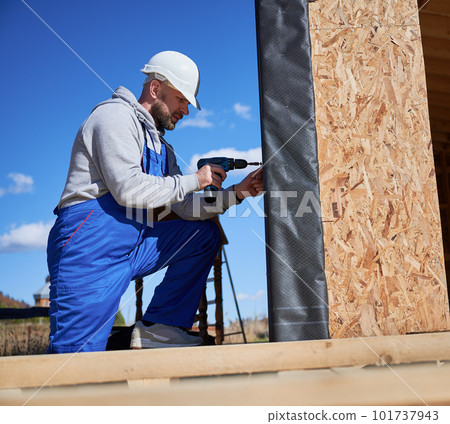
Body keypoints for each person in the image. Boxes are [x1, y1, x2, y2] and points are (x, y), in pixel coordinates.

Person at [46, 51, 263, 353]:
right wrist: (195, 180)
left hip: (133, 245)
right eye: (181, 100)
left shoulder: (162, 149)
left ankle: (161, 329)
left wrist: (239, 192)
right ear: (155, 89)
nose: (185, 110)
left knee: (202, 234)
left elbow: (185, 208)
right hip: (89, 247)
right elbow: (127, 189)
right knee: (75, 360)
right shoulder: (113, 117)